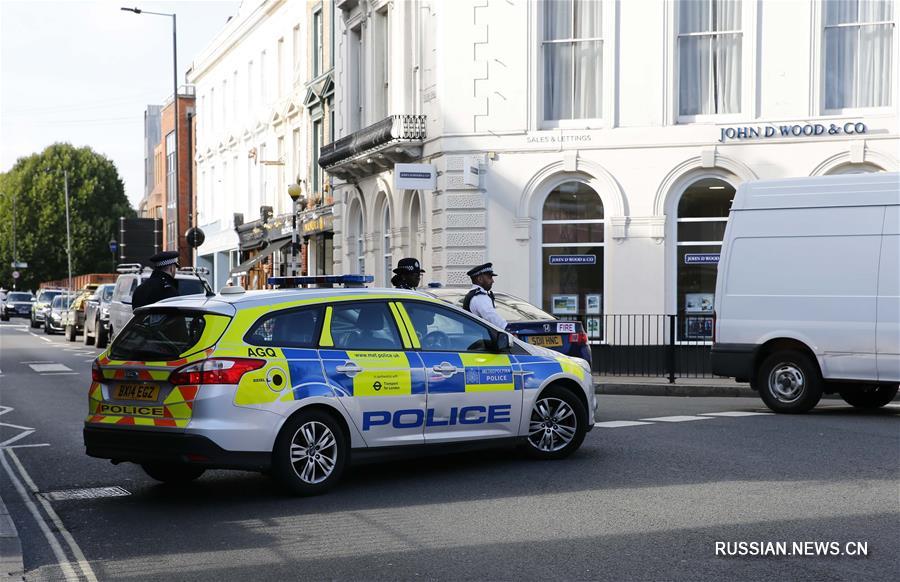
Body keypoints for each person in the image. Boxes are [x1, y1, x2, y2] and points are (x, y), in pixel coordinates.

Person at [462, 262, 507, 329]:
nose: (492, 281)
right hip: (480, 338)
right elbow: (494, 319)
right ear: (480, 279)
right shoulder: (479, 297)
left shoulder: (473, 294)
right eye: (490, 277)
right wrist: (508, 328)